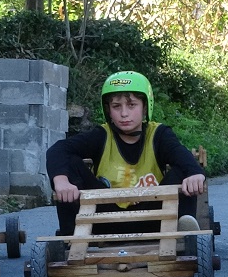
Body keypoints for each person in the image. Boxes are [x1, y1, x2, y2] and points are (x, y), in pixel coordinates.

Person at [46, 71, 205, 238]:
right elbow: (59, 149)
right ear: (108, 110)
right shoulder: (101, 135)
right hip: (104, 219)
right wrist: (61, 181)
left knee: (183, 171)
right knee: (70, 162)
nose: (124, 113)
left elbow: (180, 154)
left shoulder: (159, 134)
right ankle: (70, 236)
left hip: (154, 217)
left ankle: (185, 231)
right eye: (116, 106)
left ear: (145, 107)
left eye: (131, 105)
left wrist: (195, 173)